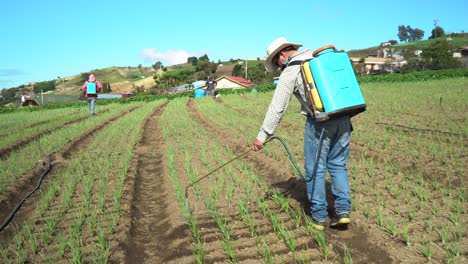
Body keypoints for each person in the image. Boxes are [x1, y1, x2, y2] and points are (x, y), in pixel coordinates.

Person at [251, 37, 353, 230]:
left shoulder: (291, 70)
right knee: (338, 165)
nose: (279, 67)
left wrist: (262, 136)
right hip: (345, 117)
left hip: (320, 123)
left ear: (281, 56)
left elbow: (277, 108)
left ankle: (318, 216)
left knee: (315, 169)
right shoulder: (318, 59)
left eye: (276, 64)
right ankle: (343, 212)